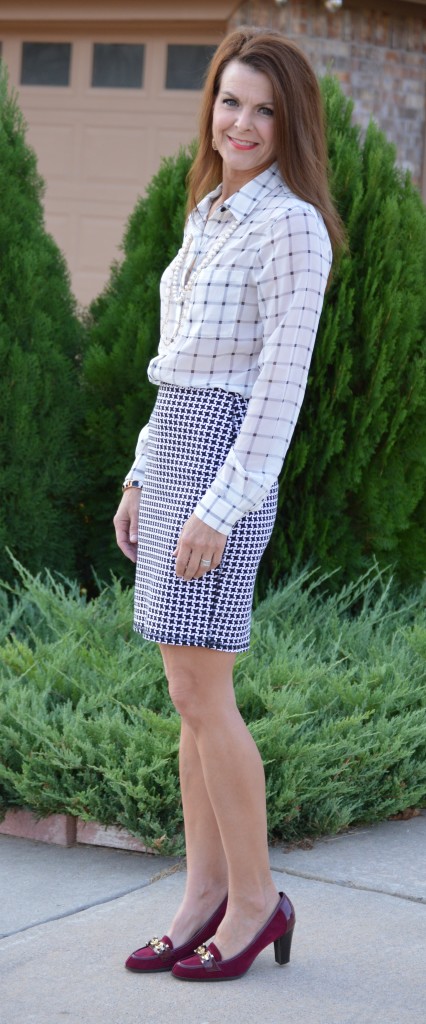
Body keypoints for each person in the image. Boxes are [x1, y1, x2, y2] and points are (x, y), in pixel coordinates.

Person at [113, 26, 345, 982]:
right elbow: (180, 366)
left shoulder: (291, 227)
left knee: (206, 694)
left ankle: (256, 902)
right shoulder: (209, 209)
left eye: (265, 109)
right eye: (231, 100)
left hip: (227, 465)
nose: (243, 122)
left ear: (290, 126)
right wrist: (139, 470)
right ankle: (204, 891)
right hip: (176, 444)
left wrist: (223, 503)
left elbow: (276, 387)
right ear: (211, 105)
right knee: (187, 695)